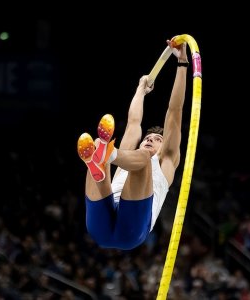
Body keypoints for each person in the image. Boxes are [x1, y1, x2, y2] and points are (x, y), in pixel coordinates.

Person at [76, 39, 189, 250]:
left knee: (140, 160)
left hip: (133, 230)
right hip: (101, 224)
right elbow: (133, 122)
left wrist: (182, 64)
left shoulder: (166, 160)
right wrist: (140, 90)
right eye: (148, 137)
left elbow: (175, 111)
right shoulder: (131, 154)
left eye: (156, 139)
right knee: (106, 159)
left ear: (165, 147)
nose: (148, 139)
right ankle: (100, 159)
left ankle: (105, 155)